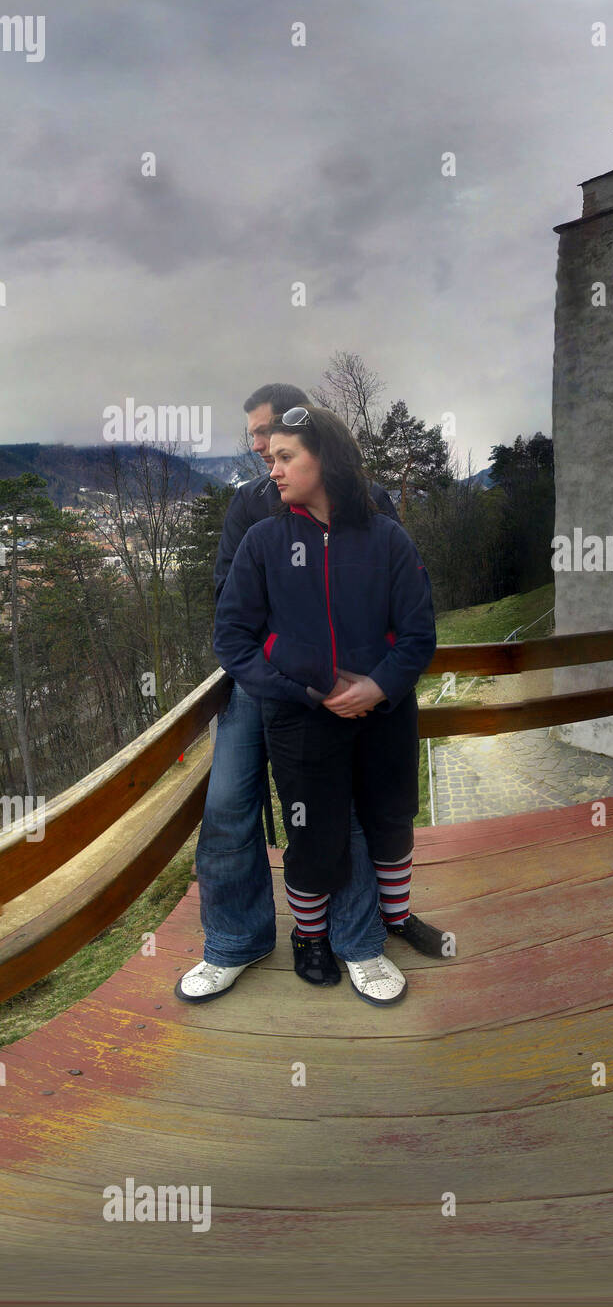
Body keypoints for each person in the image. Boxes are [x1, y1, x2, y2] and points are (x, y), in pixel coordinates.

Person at [177, 386, 399, 1006]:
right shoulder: (250, 505)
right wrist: (291, 665)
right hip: (266, 682)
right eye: (253, 437)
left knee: (343, 807)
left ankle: (351, 937)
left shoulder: (369, 500)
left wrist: (370, 679)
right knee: (226, 808)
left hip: (343, 684)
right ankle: (234, 941)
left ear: (313, 439)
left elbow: (394, 592)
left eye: (269, 434)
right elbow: (231, 603)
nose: (258, 448)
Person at [212, 405, 439, 1007]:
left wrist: (378, 687)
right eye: (273, 457)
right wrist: (306, 690)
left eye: (286, 457)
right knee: (314, 833)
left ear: (326, 459)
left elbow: (419, 633)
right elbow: (232, 637)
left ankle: (390, 921)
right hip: (301, 722)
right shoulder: (264, 541)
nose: (273, 468)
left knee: (390, 817)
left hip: (384, 716)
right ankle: (310, 938)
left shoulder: (387, 538)